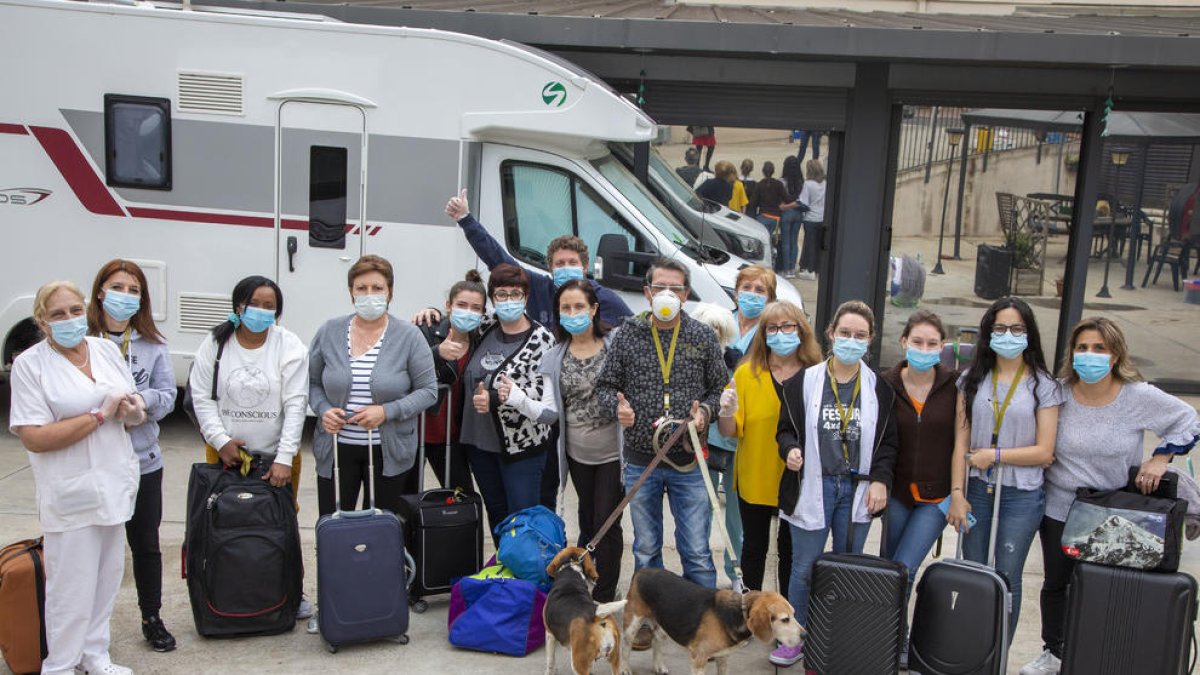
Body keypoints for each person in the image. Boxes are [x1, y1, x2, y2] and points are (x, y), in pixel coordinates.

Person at [1020, 318, 1200, 675]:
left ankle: (1101, 651)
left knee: (1109, 588)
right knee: (1058, 583)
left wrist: (1160, 457)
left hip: (1114, 511)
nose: (1090, 355)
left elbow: (1188, 419)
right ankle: (1054, 653)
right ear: (1072, 353)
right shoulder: (1058, 392)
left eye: (1099, 348)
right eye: (1083, 348)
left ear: (1115, 354)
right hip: (1061, 507)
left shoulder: (1137, 396)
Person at [11, 280, 146, 675]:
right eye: (58, 314)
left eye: (74, 310)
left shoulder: (104, 349)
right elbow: (34, 437)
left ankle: (95, 656)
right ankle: (62, 665)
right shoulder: (30, 365)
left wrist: (132, 411)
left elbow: (130, 407)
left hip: (114, 483)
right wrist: (98, 416)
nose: (69, 319)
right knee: (71, 589)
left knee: (107, 580)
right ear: (42, 320)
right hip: (70, 493)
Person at [774, 300, 898, 667]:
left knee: (848, 569)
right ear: (830, 334)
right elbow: (784, 430)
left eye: (860, 335)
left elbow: (888, 443)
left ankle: (841, 636)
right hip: (815, 486)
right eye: (844, 333)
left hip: (857, 490)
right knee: (804, 567)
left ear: (870, 340)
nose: (851, 340)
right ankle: (792, 639)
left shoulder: (880, 388)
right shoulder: (804, 382)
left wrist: (880, 480)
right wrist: (791, 449)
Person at [595, 258, 727, 592]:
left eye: (676, 288)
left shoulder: (702, 336)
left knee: (696, 548)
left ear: (685, 295)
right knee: (646, 547)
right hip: (642, 461)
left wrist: (705, 413)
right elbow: (605, 387)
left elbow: (718, 388)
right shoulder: (627, 335)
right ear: (647, 292)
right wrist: (618, 408)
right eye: (660, 288)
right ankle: (648, 618)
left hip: (689, 460)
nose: (667, 294)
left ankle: (701, 622)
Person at [190, 275, 312, 619]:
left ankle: (290, 591)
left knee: (281, 524)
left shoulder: (289, 346)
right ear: (237, 306)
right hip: (226, 456)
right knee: (225, 522)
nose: (260, 311)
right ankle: (227, 589)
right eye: (254, 303)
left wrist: (284, 457)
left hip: (277, 459)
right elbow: (201, 396)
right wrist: (220, 440)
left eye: (269, 306)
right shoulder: (215, 343)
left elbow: (295, 404)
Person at [499, 279, 624, 602]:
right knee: (586, 520)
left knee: (605, 524)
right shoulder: (554, 356)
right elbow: (551, 413)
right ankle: (585, 585)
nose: (573, 313)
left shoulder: (616, 343)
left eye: (579, 306)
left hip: (613, 453)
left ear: (594, 309)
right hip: (577, 454)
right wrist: (518, 399)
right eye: (565, 308)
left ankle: (605, 598)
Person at [947, 296, 1061, 640]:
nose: (1007, 335)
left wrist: (995, 456)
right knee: (973, 571)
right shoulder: (971, 380)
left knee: (1007, 575)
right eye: (1000, 328)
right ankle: (969, 649)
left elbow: (1044, 451)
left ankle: (997, 652)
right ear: (988, 333)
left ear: (1029, 334)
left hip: (1021, 496)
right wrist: (957, 494)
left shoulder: (1044, 385)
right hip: (977, 491)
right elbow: (961, 445)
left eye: (1016, 328)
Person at [85, 260, 178, 653]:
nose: (125, 295)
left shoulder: (153, 344)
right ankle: (89, 625)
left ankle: (151, 617)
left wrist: (142, 401)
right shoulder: (83, 341)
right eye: (118, 286)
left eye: (134, 289)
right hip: (95, 461)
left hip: (144, 462)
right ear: (100, 291)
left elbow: (169, 395)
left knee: (146, 544)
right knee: (95, 548)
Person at [309, 255, 438, 517]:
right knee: (333, 525)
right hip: (336, 449)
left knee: (381, 531)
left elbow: (428, 391)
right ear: (351, 292)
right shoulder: (329, 332)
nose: (370, 295)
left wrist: (386, 411)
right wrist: (323, 410)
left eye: (377, 288)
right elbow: (313, 384)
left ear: (390, 292)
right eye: (361, 288)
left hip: (387, 452)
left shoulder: (409, 336)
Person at [718, 300, 821, 597]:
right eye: (772, 328)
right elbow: (730, 432)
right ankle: (751, 611)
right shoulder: (747, 374)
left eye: (788, 326)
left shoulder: (816, 374)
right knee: (753, 547)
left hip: (799, 478)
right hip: (756, 476)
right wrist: (726, 411)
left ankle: (788, 612)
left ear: (801, 330)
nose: (780, 333)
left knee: (791, 552)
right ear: (763, 334)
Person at [433, 190, 631, 328]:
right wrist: (466, 220)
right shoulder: (539, 288)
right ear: (551, 268)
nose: (566, 268)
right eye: (560, 264)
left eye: (572, 263)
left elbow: (634, 333)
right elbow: (497, 259)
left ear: (584, 266)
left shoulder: (606, 299)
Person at [460, 263, 557, 542]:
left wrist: (497, 398)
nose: (508, 300)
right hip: (480, 444)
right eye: (501, 294)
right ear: (492, 298)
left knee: (522, 519)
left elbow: (545, 404)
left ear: (526, 298)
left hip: (521, 447)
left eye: (515, 294)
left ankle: (525, 582)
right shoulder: (484, 328)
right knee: (498, 514)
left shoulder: (542, 339)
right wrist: (430, 313)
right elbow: (454, 326)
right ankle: (505, 574)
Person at [413, 270, 489, 493]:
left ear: (483, 312)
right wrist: (437, 353)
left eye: (475, 308)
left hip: (452, 438)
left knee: (462, 498)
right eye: (461, 305)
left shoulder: (481, 342)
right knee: (406, 503)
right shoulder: (426, 329)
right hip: (414, 434)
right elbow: (404, 370)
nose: (468, 312)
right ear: (448, 306)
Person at [688, 302, 744, 588]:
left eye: (717, 329)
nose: (711, 333)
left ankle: (736, 573)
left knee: (735, 517)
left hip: (735, 444)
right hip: (702, 445)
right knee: (702, 511)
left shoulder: (738, 362)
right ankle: (701, 573)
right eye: (707, 327)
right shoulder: (689, 361)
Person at [791, 159, 827, 281]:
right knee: (818, 244)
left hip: (810, 218)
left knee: (809, 243)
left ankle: (808, 268)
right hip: (822, 217)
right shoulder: (825, 183)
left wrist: (787, 206)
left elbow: (803, 202)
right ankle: (818, 268)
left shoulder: (808, 184)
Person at [748, 161, 789, 253]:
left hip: (763, 216)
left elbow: (753, 203)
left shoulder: (759, 185)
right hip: (776, 218)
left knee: (763, 242)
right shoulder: (779, 184)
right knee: (772, 241)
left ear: (763, 171)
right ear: (773, 171)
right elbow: (787, 198)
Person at [778, 156, 807, 279]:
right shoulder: (802, 183)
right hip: (798, 214)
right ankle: (791, 268)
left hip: (786, 213)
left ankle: (785, 269)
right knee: (794, 241)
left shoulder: (781, 182)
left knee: (786, 241)